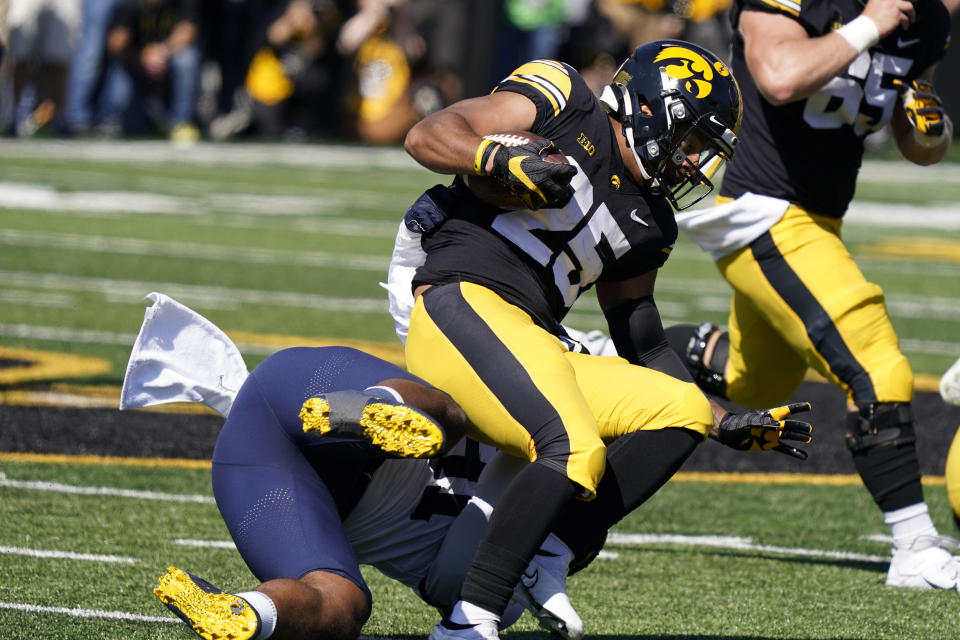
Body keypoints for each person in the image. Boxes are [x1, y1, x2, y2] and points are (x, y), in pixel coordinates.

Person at [395, 40, 813, 640]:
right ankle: (468, 625)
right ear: (653, 108)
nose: (695, 163)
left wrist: (721, 420)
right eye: (692, 140)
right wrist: (495, 158)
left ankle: (550, 550)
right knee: (571, 446)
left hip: (535, 338)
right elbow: (429, 134)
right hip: (460, 302)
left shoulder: (652, 222)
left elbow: (644, 345)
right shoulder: (564, 98)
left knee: (683, 409)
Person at [663, 0, 956, 590]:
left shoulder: (923, 18)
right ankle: (913, 546)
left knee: (752, 383)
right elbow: (779, 76)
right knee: (877, 366)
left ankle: (601, 356)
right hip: (763, 213)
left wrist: (931, 127)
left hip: (821, 220)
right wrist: (870, 23)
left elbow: (919, 139)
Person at [104, 0, 203, 144]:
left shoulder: (183, 3)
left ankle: (181, 123)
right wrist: (143, 56)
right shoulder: (131, 5)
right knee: (131, 125)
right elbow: (115, 44)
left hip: (168, 60)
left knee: (187, 59)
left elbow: (188, 32)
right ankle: (114, 119)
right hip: (135, 65)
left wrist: (162, 51)